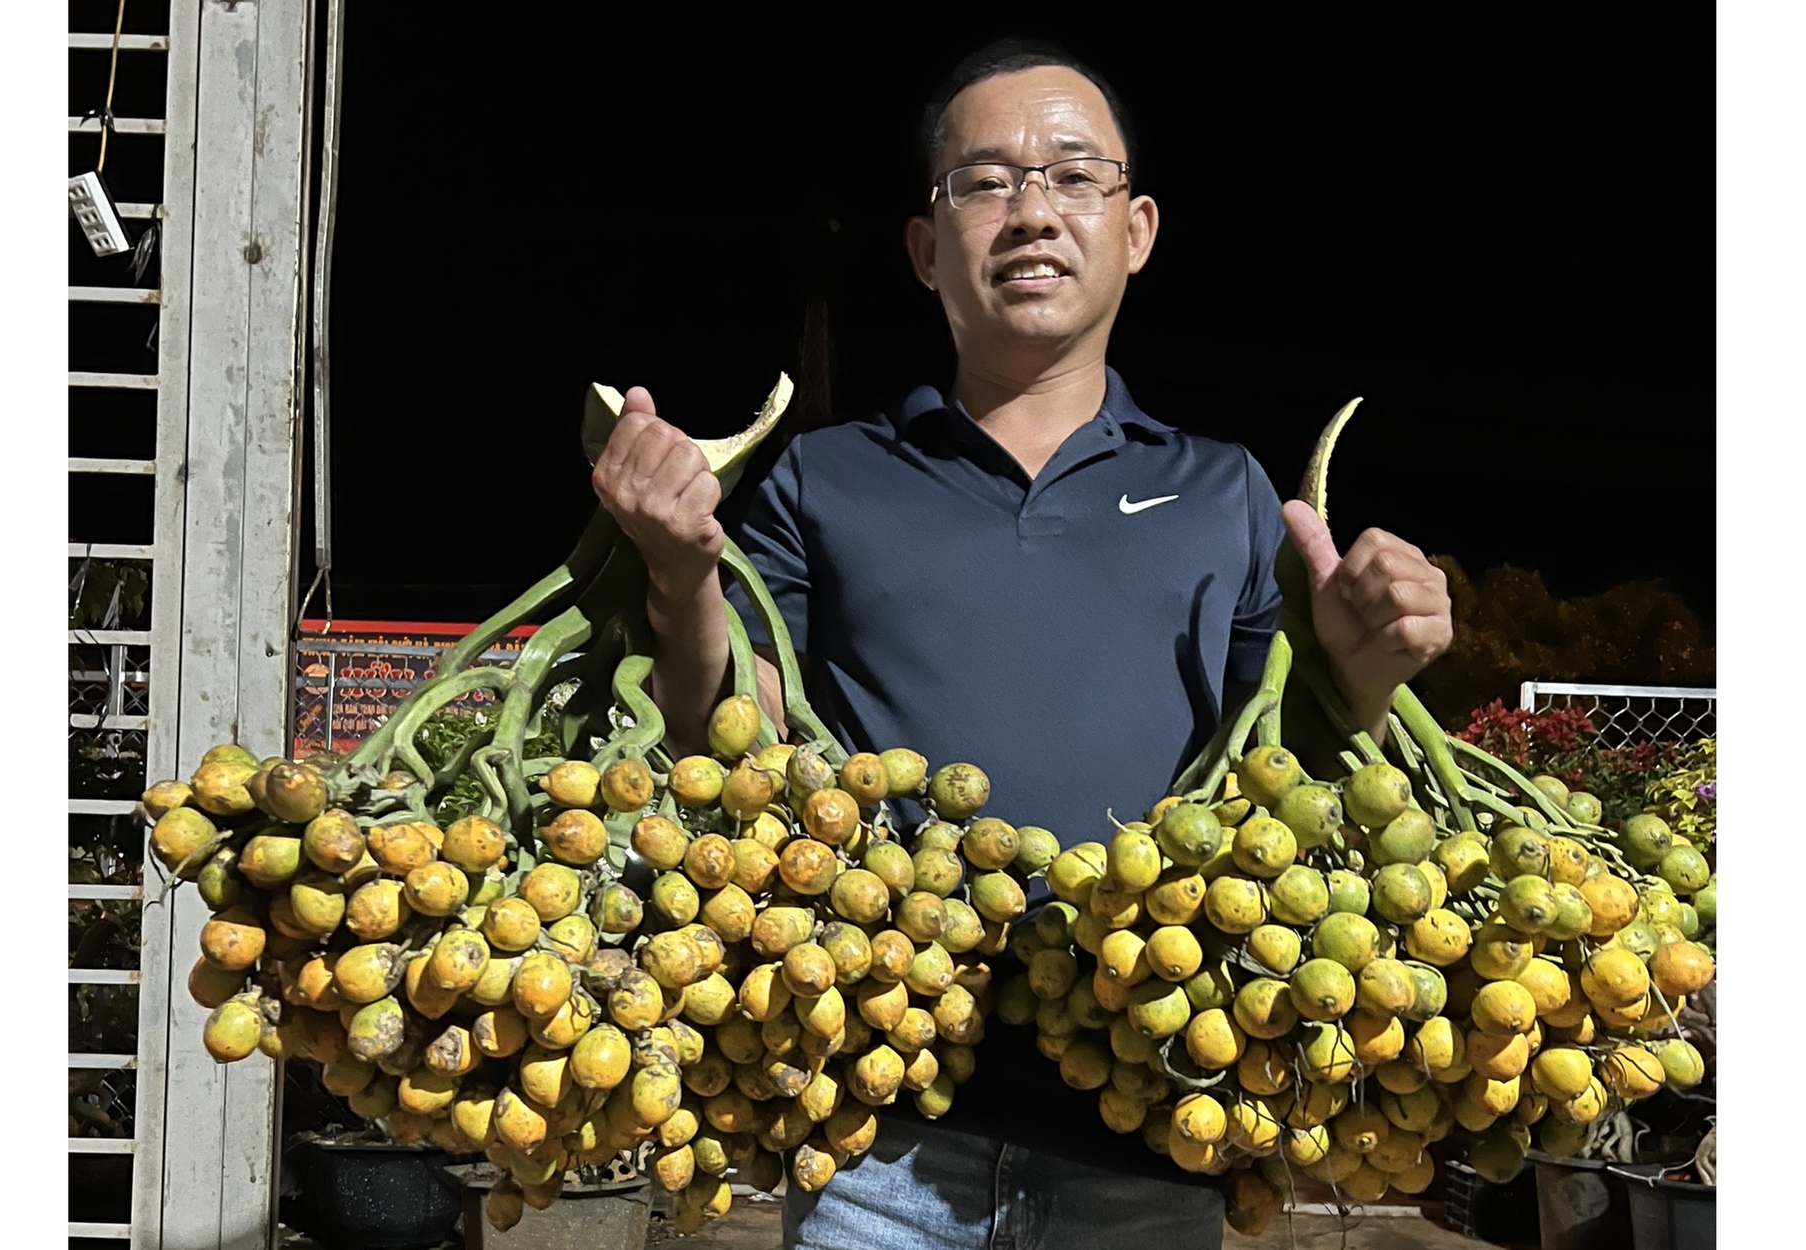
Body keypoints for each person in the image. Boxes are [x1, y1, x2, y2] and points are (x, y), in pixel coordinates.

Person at [589, 39, 1453, 1250]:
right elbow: (728, 730)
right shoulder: (827, 479)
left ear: (1136, 228)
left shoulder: (1225, 491)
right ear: (922, 245)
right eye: (983, 181)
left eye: (1072, 176)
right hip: (874, 1127)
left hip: (1153, 1119)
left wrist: (1362, 673)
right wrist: (679, 574)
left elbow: (1285, 776)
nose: (1031, 209)